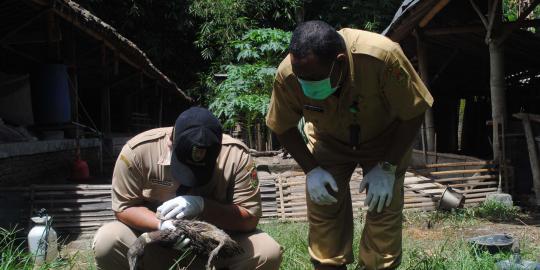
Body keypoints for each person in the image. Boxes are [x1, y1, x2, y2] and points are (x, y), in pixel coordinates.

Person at [266, 20, 434, 270]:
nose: (307, 86)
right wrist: (311, 170)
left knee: (383, 215)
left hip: (385, 141)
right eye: (302, 79)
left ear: (340, 61)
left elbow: (414, 110)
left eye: (314, 78)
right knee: (325, 212)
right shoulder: (289, 73)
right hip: (329, 142)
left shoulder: (382, 57)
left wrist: (388, 167)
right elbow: (281, 126)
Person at [93, 107, 282, 270]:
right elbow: (124, 207)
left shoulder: (236, 156)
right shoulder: (138, 152)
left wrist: (203, 206)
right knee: (108, 240)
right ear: (170, 141)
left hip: (215, 248)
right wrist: (160, 225)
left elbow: (249, 219)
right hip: (156, 244)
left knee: (267, 252)